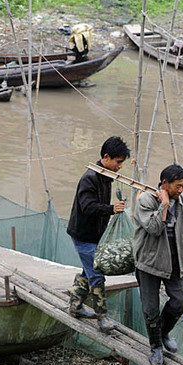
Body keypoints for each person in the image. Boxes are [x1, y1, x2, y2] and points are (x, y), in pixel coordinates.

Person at [132, 164, 183, 365]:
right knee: (150, 309)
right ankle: (156, 346)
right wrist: (164, 206)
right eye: (178, 186)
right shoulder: (145, 200)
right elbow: (154, 228)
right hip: (149, 262)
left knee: (182, 301)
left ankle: (164, 331)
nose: (181, 190)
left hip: (174, 261)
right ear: (165, 184)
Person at [66, 136, 129, 333]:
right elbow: (87, 207)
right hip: (83, 235)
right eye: (118, 162)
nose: (120, 167)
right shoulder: (90, 178)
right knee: (97, 275)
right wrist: (111, 209)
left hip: (96, 235)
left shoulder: (106, 176)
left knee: (88, 271)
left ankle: (75, 306)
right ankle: (102, 318)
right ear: (106, 157)